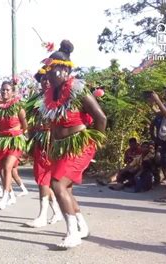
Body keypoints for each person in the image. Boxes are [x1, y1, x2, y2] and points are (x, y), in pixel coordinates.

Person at [39, 40, 107, 248]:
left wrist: (94, 142)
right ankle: (81, 226)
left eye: (50, 71)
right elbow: (52, 125)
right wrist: (51, 147)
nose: (47, 75)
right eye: (46, 71)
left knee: (57, 184)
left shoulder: (79, 90)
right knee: (65, 188)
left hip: (79, 144)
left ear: (63, 69)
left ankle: (72, 233)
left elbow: (101, 118)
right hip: (61, 146)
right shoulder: (51, 94)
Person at [25, 67, 62, 228]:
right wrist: (30, 142)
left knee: (55, 180)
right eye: (42, 79)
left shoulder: (61, 96)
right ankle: (47, 213)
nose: (45, 81)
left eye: (48, 78)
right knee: (42, 178)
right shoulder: (36, 99)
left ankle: (53, 212)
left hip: (56, 141)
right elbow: (31, 123)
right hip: (41, 141)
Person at [0, 81, 28, 210]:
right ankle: (11, 194)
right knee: (1, 169)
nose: (5, 92)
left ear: (12, 92)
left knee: (8, 167)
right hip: (1, 140)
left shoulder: (18, 106)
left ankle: (5, 197)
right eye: (3, 90)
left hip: (15, 140)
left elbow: (25, 125)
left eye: (7, 90)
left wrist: (21, 137)